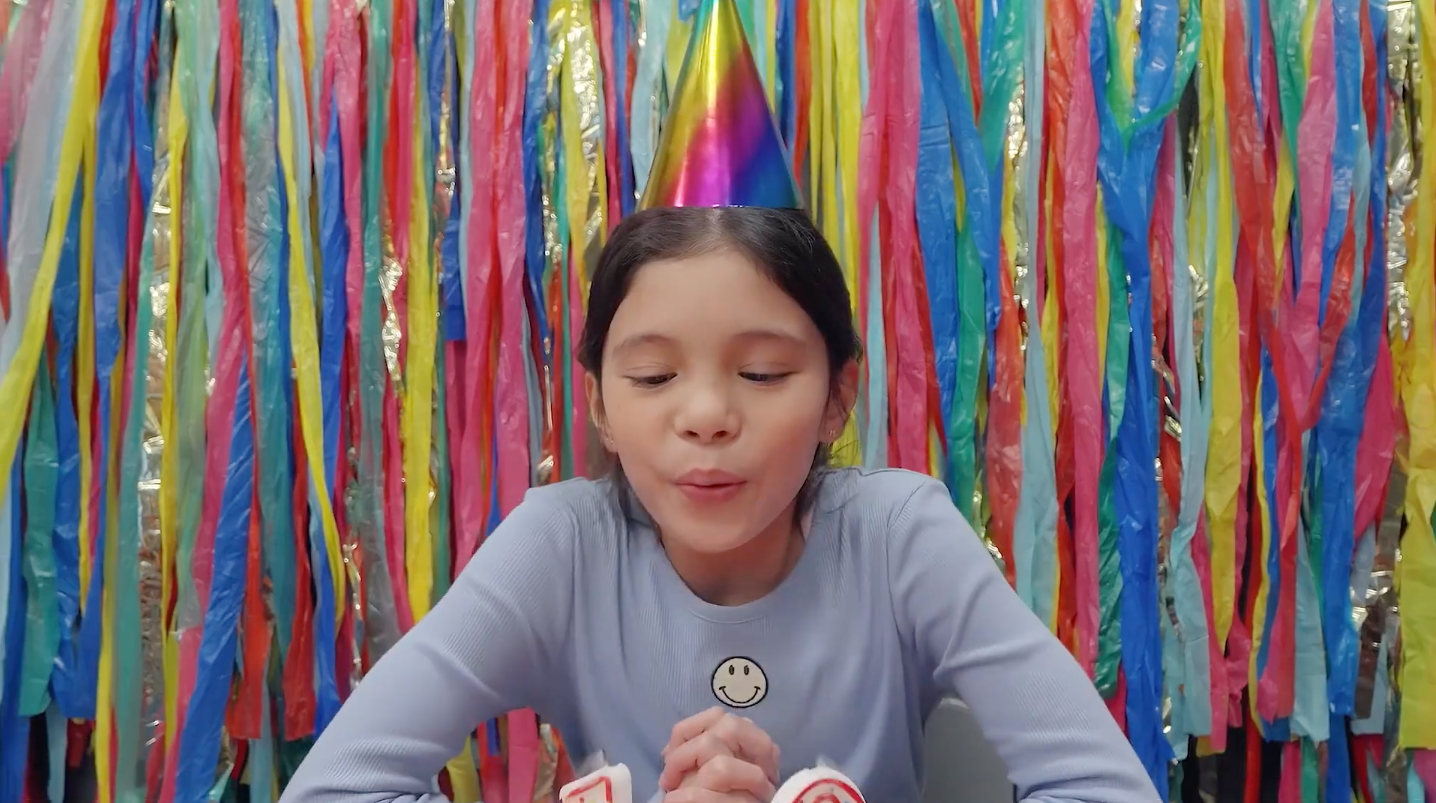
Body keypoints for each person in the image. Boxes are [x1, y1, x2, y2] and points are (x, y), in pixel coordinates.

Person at [280, 1, 1161, 801]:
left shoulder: (900, 539)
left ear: (837, 397)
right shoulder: (563, 550)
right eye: (654, 376)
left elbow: (1105, 786)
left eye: (764, 374)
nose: (704, 415)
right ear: (597, 404)